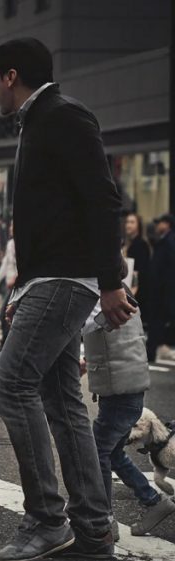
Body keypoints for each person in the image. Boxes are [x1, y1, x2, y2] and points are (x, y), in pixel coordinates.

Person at [0, 37, 133, 561]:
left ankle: (47, 520)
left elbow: (102, 199)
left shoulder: (64, 116)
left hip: (68, 278)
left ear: (11, 75)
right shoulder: (38, 122)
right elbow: (46, 219)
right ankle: (93, 528)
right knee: (61, 399)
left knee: (12, 383)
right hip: (48, 278)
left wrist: (111, 281)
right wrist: (21, 287)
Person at [82, 266, 175, 539]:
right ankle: (153, 501)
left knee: (97, 452)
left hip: (121, 396)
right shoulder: (120, 295)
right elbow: (114, 342)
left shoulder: (107, 297)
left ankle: (103, 519)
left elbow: (84, 324)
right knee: (112, 453)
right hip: (124, 392)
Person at [146, 213, 175, 362]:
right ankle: (151, 351)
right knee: (157, 322)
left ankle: (150, 352)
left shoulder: (169, 241)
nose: (157, 226)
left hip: (162, 292)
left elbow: (169, 269)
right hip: (161, 291)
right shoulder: (165, 240)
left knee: (156, 322)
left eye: (159, 223)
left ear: (167, 224)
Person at [0, 223, 17, 350]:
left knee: (4, 314)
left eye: (13, 226)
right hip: (10, 285)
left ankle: (7, 344)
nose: (11, 228)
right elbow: (6, 264)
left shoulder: (23, 242)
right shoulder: (11, 244)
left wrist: (16, 278)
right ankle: (6, 343)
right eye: (11, 226)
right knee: (7, 315)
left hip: (18, 285)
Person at [124, 213, 151, 298]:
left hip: (137, 291)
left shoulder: (141, 244)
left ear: (138, 225)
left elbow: (140, 270)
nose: (128, 225)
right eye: (127, 222)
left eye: (132, 222)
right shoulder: (129, 243)